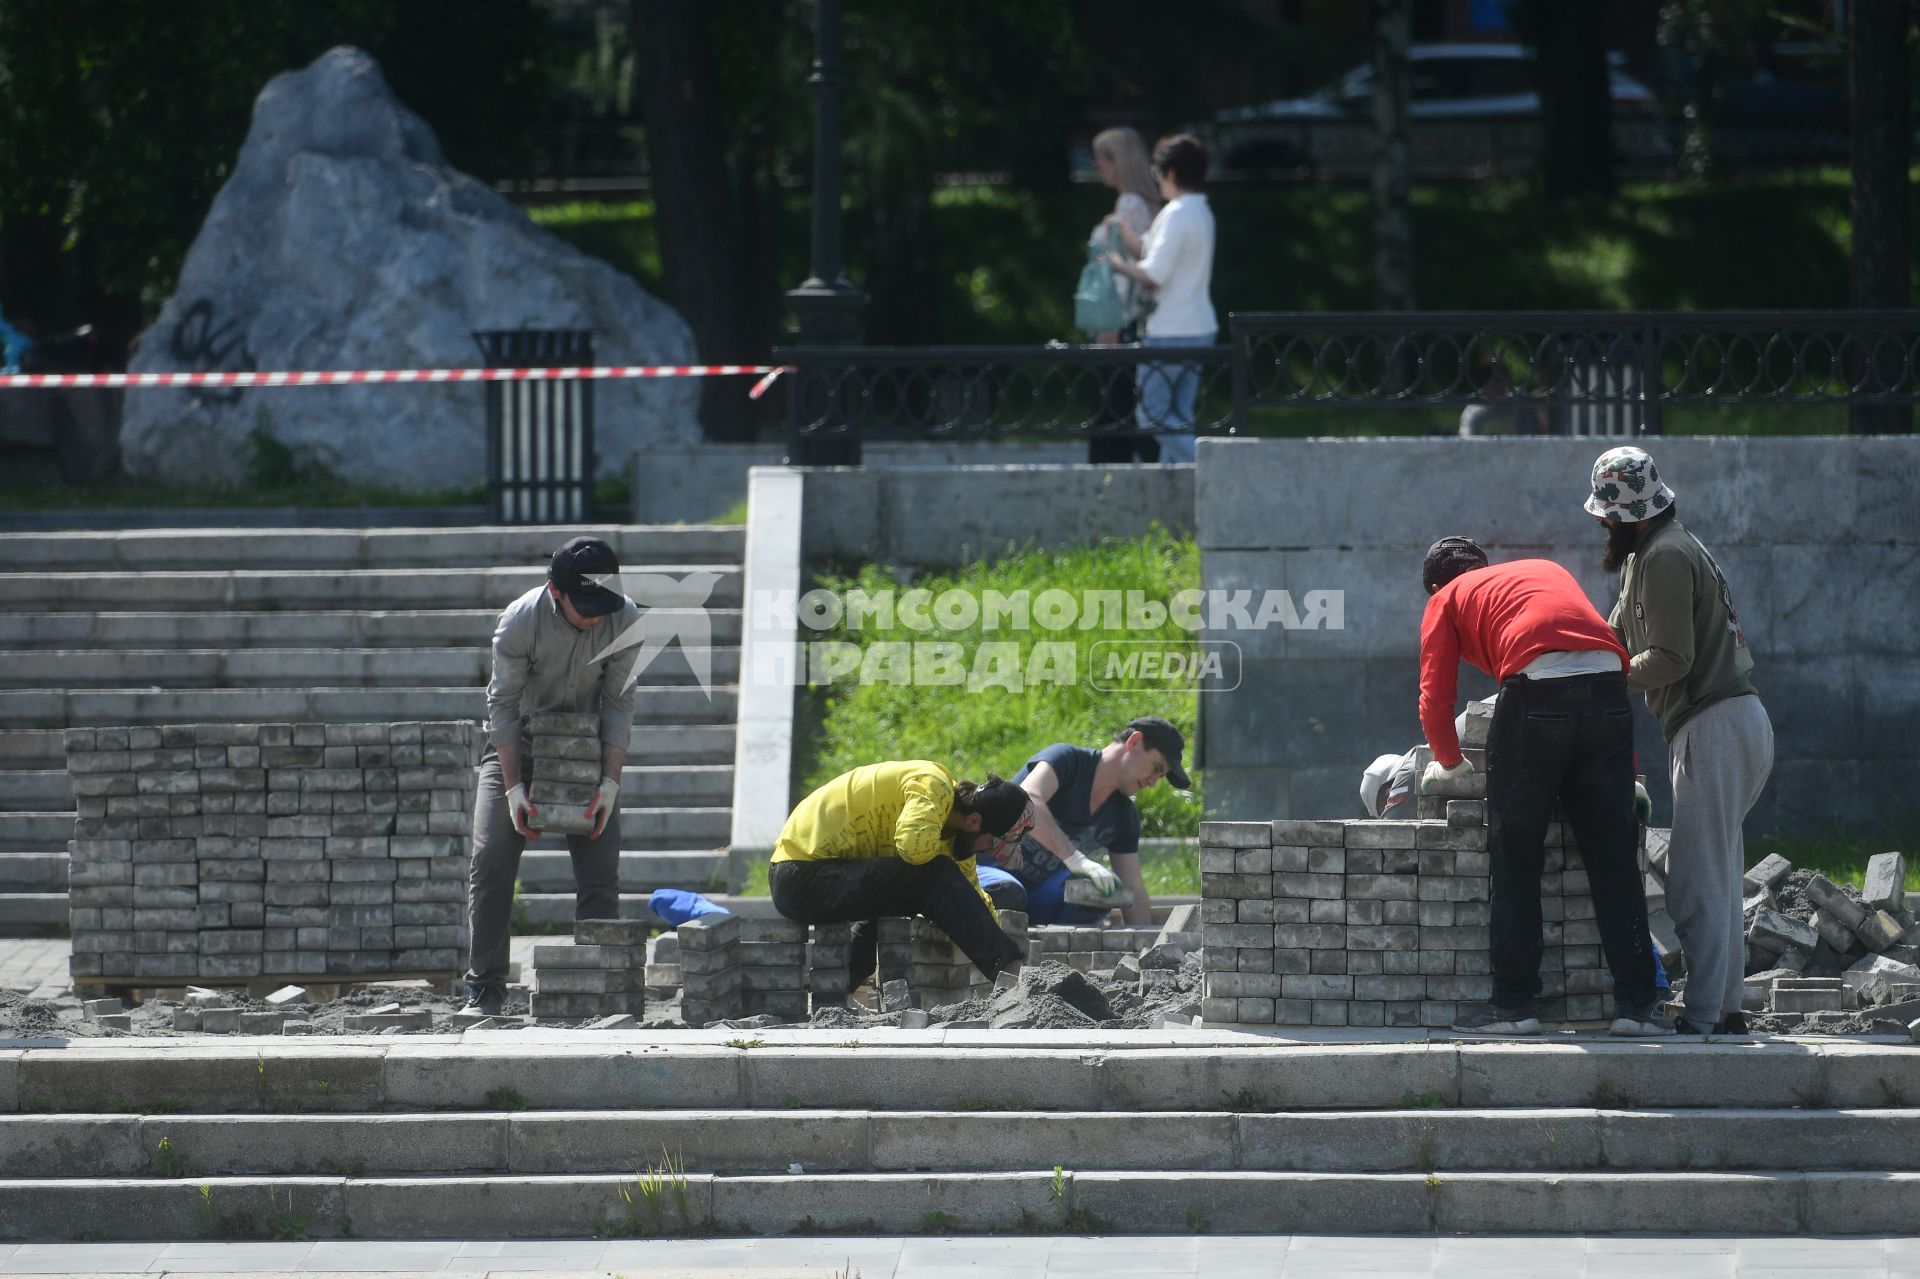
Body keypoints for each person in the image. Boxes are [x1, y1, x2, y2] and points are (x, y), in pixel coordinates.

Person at [1417, 536, 1670, 1037]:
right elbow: (1589, 664)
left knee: (1516, 850)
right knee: (1614, 855)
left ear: (1434, 584)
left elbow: (1434, 698)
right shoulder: (1535, 572)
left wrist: (1448, 764)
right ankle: (1638, 1007)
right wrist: (1630, 779)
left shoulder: (1444, 598)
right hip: (1609, 690)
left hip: (1536, 696)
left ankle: (1514, 1007)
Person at [1588, 446, 1772, 1036]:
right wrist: (1582, 649)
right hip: (1730, 721)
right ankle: (1726, 1011)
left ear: (1628, 515)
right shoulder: (1655, 549)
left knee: (1695, 880)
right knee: (1716, 871)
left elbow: (1670, 658)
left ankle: (1702, 1017)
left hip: (1713, 723)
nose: (1600, 524)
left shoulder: (1664, 556)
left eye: (1606, 515)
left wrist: (1600, 677)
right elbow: (1616, 631)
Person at [462, 536, 639, 1015]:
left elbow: (619, 702)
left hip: (586, 747)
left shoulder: (625, 619)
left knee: (601, 873)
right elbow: (500, 707)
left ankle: (596, 993)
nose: (594, 617)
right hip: (519, 745)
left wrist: (609, 784)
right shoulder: (521, 620)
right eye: (584, 607)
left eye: (602, 605)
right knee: (491, 859)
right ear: (555, 591)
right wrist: (515, 788)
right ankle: (485, 989)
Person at [769, 761, 1032, 990]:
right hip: (801, 875)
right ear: (974, 822)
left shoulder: (950, 838)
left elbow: (971, 897)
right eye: (989, 843)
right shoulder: (933, 785)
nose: (986, 851)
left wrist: (1002, 934)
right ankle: (1010, 973)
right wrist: (1009, 960)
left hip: (828, 876)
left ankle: (833, 990)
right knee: (933, 875)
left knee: (903, 898)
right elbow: (912, 848)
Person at [982, 717, 1191, 927]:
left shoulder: (1123, 816)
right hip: (987, 874)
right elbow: (1029, 800)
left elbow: (1133, 887)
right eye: (1156, 768)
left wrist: (1149, 947)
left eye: (1160, 776)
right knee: (1008, 892)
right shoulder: (1066, 760)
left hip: (1037, 898)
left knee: (1102, 890)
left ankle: (1049, 953)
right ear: (1134, 741)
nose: (1153, 782)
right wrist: (1075, 859)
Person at [1106, 133, 1216, 465]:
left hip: (1171, 330)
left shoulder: (1176, 213)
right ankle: (1180, 496)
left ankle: (1212, 469)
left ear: (1169, 174)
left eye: (1158, 174)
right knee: (1179, 417)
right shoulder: (1200, 212)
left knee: (1153, 417)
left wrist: (1116, 264)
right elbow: (1154, 250)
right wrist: (1125, 234)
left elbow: (1154, 273)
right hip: (1200, 328)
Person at [1087, 127, 1164, 464]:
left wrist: (1109, 325)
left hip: (1117, 324)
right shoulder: (1144, 202)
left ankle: (1106, 488)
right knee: (1127, 410)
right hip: (1132, 322)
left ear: (1117, 163)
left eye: (1102, 159)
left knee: (1114, 413)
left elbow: (1122, 270)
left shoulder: (1130, 204)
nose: (1096, 166)